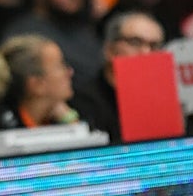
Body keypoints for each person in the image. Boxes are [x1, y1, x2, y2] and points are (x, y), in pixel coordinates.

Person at [70, 10, 165, 143]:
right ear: (109, 50)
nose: (146, 53)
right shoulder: (84, 101)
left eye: (154, 46)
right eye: (135, 42)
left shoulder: (165, 99)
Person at [0, 33, 78, 131]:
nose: (70, 72)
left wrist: (70, 120)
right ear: (37, 84)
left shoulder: (62, 115)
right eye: (60, 66)